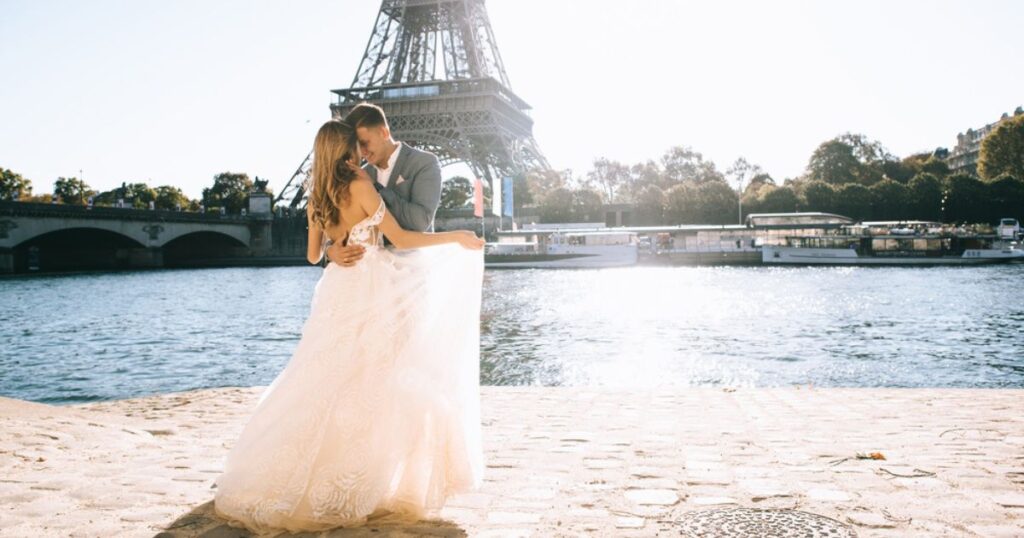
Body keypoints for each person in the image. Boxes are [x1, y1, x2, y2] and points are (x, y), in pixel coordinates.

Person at [212, 119, 486, 534]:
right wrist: (456, 236)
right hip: (373, 288)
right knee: (378, 381)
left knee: (326, 378)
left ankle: (319, 469)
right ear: (346, 149)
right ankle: (364, 474)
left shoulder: (317, 195)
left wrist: (333, 250)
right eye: (355, 145)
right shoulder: (361, 184)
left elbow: (312, 256)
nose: (361, 151)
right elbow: (403, 239)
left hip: (338, 290)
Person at [324, 102, 442, 267]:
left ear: (384, 132)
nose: (362, 152)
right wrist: (330, 251)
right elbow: (342, 226)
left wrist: (374, 187)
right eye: (356, 146)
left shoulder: (424, 163)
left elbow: (420, 222)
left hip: (412, 270)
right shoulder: (360, 176)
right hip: (372, 273)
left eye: (365, 143)